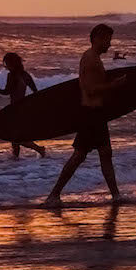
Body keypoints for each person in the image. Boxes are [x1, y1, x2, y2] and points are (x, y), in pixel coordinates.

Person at [44, 24, 126, 207]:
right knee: (81, 156)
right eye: (107, 40)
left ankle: (116, 196)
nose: (109, 44)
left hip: (96, 114)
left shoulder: (94, 58)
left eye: (110, 40)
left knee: (101, 154)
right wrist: (114, 85)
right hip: (91, 114)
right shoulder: (90, 59)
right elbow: (89, 90)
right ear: (96, 38)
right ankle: (54, 195)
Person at [0, 52, 47, 158]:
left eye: (6, 63)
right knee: (15, 134)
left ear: (11, 64)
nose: (6, 66)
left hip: (15, 109)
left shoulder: (12, 75)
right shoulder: (26, 75)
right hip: (24, 108)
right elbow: (35, 92)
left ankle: (39, 149)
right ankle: (15, 157)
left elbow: (6, 92)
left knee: (14, 136)